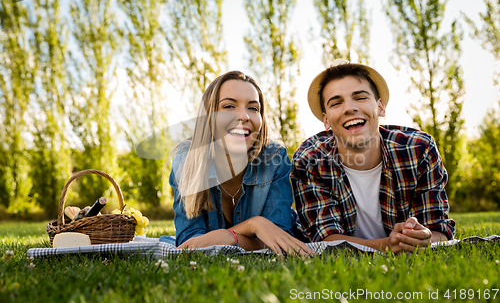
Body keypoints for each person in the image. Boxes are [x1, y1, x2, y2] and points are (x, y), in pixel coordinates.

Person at [291, 59, 455, 253]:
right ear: (326, 120)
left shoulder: (419, 149)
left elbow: (439, 231)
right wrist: (389, 245)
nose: (349, 108)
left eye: (360, 97)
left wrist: (420, 236)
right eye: (336, 103)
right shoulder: (309, 159)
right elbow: (325, 241)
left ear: (380, 108)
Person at [167, 71, 313, 256]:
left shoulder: (275, 158)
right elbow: (189, 242)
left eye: (253, 108)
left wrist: (224, 238)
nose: (244, 116)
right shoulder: (187, 160)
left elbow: (278, 238)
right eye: (229, 106)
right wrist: (254, 226)